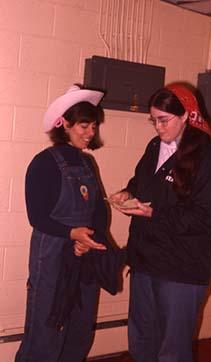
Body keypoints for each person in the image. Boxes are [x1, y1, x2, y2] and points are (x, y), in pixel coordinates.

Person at [109, 83, 211, 362]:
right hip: (146, 260)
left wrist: (154, 214)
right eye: (154, 120)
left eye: (164, 120)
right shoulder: (155, 146)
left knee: (172, 351)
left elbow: (203, 216)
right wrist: (128, 192)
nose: (158, 127)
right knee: (141, 343)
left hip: (179, 269)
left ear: (186, 115)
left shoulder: (207, 158)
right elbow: (142, 182)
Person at [15, 85, 125, 362]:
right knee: (46, 333)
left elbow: (98, 210)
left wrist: (89, 239)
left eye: (94, 126)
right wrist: (72, 234)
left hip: (83, 256)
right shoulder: (44, 163)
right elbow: (37, 217)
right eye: (84, 125)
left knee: (80, 330)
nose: (90, 133)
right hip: (52, 256)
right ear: (64, 123)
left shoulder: (87, 163)